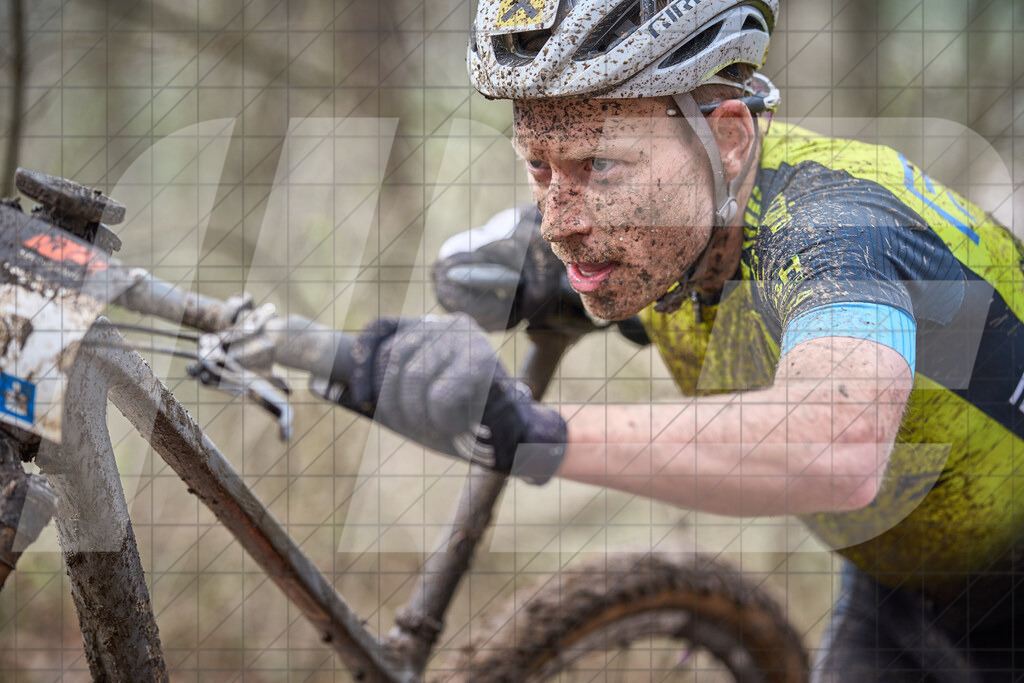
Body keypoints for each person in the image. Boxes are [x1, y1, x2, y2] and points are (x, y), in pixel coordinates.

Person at [311, 0, 1024, 679]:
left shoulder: (839, 230)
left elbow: (839, 446)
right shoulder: (681, 217)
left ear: (729, 138)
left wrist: (532, 430)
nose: (560, 223)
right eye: (540, 166)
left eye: (601, 166)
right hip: (904, 589)